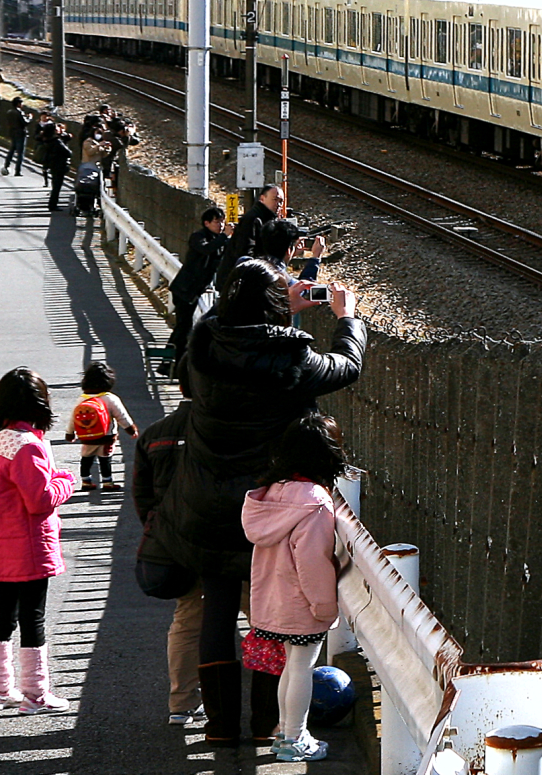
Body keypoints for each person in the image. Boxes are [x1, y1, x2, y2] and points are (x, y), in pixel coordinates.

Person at [162, 258, 363, 744]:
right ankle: (264, 724)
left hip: (208, 500)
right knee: (271, 616)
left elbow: (219, 324)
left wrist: (271, 304)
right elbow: (347, 366)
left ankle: (219, 726)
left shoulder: (204, 344)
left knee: (216, 610)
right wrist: (347, 318)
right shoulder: (289, 357)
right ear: (273, 306)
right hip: (273, 503)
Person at [0, 367, 76, 713]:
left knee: (4, 614)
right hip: (27, 545)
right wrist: (65, 482)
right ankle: (36, 694)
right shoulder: (28, 445)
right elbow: (40, 500)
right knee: (33, 617)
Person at [242, 415, 346, 762]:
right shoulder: (315, 501)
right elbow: (313, 563)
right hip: (302, 602)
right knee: (301, 667)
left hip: (272, 599)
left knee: (291, 665)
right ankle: (294, 738)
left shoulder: (271, 493)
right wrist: (325, 607)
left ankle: (287, 733)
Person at [133, 384, 206, 727]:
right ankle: (278, 710)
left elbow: (142, 496)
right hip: (227, 543)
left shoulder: (153, 434)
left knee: (188, 621)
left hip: (174, 543)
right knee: (261, 618)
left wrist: (160, 529)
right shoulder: (223, 429)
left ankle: (182, 702)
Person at [167, 205, 229, 369]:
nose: (221, 225)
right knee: (184, 327)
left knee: (183, 327)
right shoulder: (198, 237)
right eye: (217, 222)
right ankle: (174, 363)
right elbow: (206, 249)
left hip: (195, 290)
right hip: (184, 289)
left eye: (222, 222)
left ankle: (169, 362)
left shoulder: (219, 241)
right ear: (206, 223)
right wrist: (224, 236)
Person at [71, 362, 138, 492]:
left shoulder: (82, 399)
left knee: (86, 458)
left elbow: (74, 417)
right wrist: (131, 430)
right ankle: (107, 482)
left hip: (87, 436)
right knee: (105, 459)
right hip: (106, 436)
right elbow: (122, 416)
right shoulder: (110, 398)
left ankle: (86, 481)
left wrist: (70, 433)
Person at [222, 184, 283, 270]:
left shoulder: (268, 219)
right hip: (240, 272)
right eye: (275, 199)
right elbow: (245, 251)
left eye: (281, 201)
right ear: (262, 198)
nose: (279, 204)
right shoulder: (252, 219)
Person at [38, 118, 74, 212]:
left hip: (52, 164)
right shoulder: (57, 141)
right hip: (59, 164)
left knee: (55, 185)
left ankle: (52, 204)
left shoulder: (46, 139)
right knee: (57, 186)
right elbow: (68, 152)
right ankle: (53, 204)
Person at [0, 104, 32, 176]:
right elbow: (25, 122)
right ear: (18, 104)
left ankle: (6, 165)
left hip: (13, 133)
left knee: (11, 150)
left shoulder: (9, 112)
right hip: (20, 134)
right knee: (20, 153)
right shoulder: (19, 112)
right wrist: (30, 118)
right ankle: (18, 171)